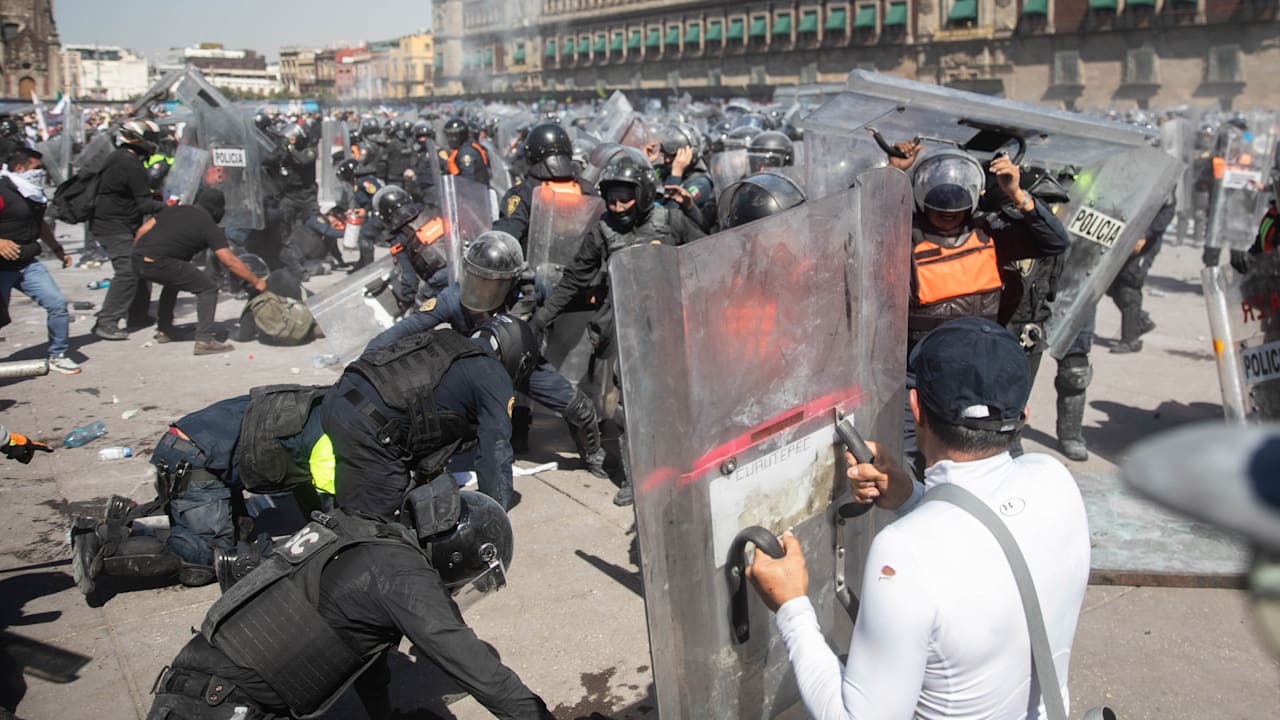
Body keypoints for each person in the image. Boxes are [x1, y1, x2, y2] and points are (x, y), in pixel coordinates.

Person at [747, 317, 1091, 719]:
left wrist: (791, 606)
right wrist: (912, 496)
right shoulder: (1054, 480)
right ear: (1024, 413)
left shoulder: (905, 551)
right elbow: (985, 544)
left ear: (916, 409)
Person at [145, 491, 554, 720]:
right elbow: (485, 676)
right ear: (453, 559)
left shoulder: (365, 532)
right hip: (217, 709)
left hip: (194, 691)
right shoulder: (402, 578)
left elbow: (364, 650)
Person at [531, 148, 706, 505]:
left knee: (683, 403)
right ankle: (636, 478)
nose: (617, 208)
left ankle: (689, 468)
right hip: (627, 333)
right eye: (610, 200)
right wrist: (539, 319)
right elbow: (573, 280)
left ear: (642, 195)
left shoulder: (670, 222)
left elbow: (707, 257)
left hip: (676, 328)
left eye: (625, 200)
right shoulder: (602, 232)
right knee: (631, 409)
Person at [369, 231, 610, 480]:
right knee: (441, 425)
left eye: (491, 282)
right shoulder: (453, 297)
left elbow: (572, 292)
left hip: (525, 366)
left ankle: (593, 457)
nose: (481, 289)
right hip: (476, 371)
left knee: (581, 409)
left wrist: (543, 321)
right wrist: (368, 359)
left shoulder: (532, 286)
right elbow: (408, 328)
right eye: (477, 278)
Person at [68, 385, 332, 601]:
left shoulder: (323, 401)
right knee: (206, 558)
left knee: (240, 533)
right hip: (195, 461)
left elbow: (308, 483)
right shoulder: (334, 434)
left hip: (192, 450)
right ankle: (101, 553)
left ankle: (119, 525)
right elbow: (334, 498)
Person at [320, 317, 536, 515]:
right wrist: (494, 513)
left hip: (338, 397)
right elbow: (496, 451)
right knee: (375, 527)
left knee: (351, 504)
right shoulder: (493, 374)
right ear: (521, 361)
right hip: (368, 426)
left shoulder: (448, 340)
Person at [131, 188, 267, 355]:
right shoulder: (208, 225)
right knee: (208, 288)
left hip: (138, 259)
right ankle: (204, 340)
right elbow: (229, 261)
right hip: (159, 261)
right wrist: (256, 281)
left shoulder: (172, 210)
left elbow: (142, 231)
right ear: (217, 209)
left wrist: (141, 254)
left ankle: (165, 329)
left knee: (173, 281)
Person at [0, 147, 79, 374]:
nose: (40, 172)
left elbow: (40, 224)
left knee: (57, 305)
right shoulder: (3, 190)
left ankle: (58, 354)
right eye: (36, 168)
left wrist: (57, 249)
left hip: (27, 262)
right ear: (19, 168)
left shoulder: (32, 192)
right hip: (2, 267)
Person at [90, 118, 168, 341]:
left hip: (120, 223)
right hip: (114, 226)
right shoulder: (129, 163)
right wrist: (169, 207)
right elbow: (144, 204)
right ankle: (106, 321)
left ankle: (138, 315)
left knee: (141, 266)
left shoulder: (119, 158)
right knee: (127, 271)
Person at [493, 122, 593, 249]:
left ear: (530, 154)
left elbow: (506, 235)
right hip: (582, 266)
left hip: (536, 267)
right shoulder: (587, 190)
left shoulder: (524, 192)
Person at [442, 117, 491, 185]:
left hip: (476, 192)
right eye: (449, 136)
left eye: (454, 136)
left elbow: (467, 179)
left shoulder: (467, 152)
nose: (450, 139)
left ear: (462, 135)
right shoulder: (460, 149)